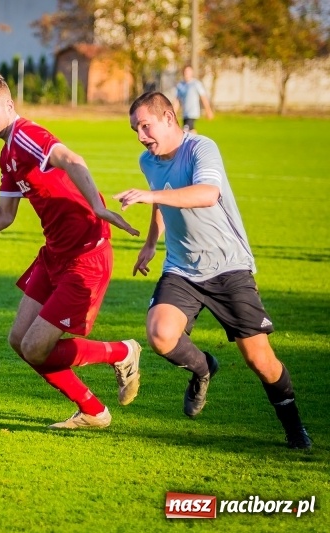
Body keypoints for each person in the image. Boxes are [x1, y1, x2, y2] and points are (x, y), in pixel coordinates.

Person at [115, 91, 311, 449]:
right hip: (182, 268)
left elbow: (206, 193)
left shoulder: (202, 147)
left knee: (260, 360)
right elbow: (161, 198)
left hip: (228, 267)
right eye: (135, 129)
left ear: (169, 117)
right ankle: (203, 368)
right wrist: (150, 243)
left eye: (145, 125)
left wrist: (151, 196)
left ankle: (295, 428)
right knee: (160, 335)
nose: (141, 135)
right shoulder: (149, 160)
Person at [0, 72, 142, 430]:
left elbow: (70, 158)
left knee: (35, 347)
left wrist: (97, 205)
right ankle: (93, 412)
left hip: (86, 256)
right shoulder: (7, 156)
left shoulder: (27, 134)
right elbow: (4, 214)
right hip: (54, 254)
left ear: (9, 106)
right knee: (19, 341)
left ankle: (123, 353)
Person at [173, 65, 213, 134]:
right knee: (191, 131)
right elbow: (177, 100)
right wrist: (173, 114)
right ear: (183, 73)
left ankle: (193, 144)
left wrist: (208, 110)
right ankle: (196, 143)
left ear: (192, 73)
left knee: (185, 131)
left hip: (193, 113)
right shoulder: (180, 85)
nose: (187, 74)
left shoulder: (196, 84)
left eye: (189, 72)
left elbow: (203, 97)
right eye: (186, 72)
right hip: (185, 114)